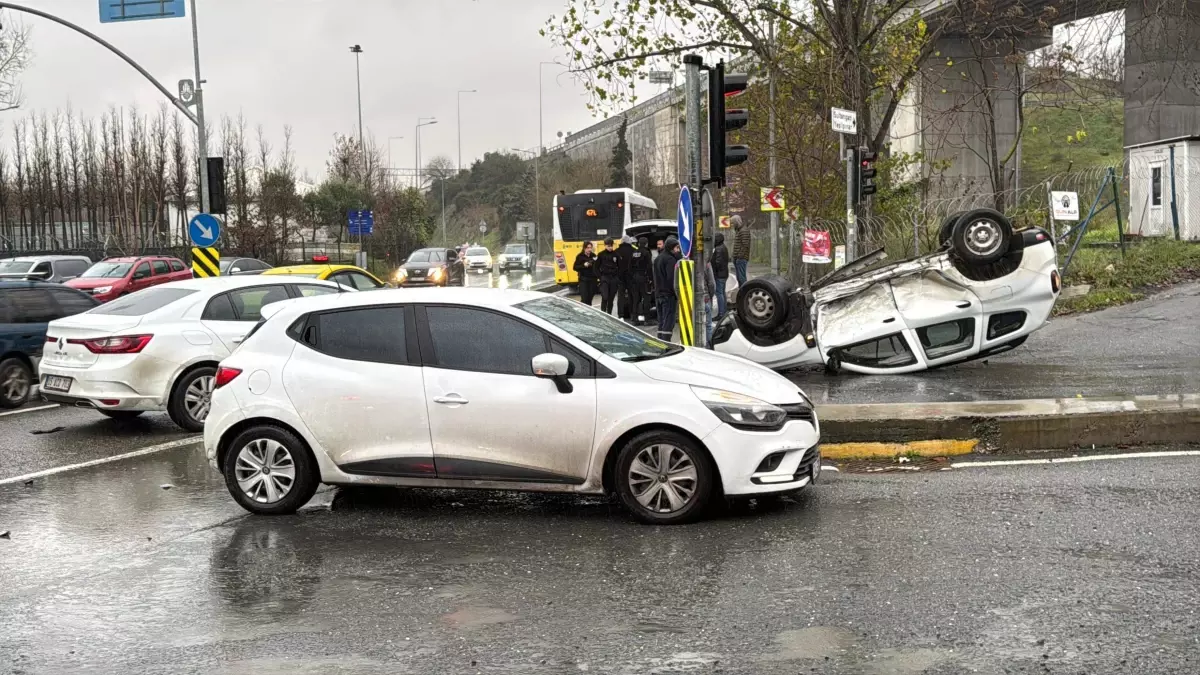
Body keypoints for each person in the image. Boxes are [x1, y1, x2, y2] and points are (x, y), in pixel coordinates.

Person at [674, 257, 717, 348]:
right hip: (704, 299)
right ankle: (708, 348)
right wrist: (709, 296)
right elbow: (712, 283)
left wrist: (682, 298)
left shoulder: (679, 263)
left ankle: (690, 348)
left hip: (687, 301)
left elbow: (676, 286)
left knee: (688, 326)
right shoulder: (706, 262)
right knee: (707, 326)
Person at [653, 236, 681, 341]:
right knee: (669, 321)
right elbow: (672, 279)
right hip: (668, 295)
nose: (677, 250)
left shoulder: (657, 259)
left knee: (661, 321)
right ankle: (666, 343)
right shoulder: (670, 260)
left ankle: (660, 341)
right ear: (671, 247)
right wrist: (676, 293)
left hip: (658, 294)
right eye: (676, 248)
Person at [631, 236, 653, 326]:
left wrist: (633, 276)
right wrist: (651, 279)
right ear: (646, 243)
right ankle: (647, 319)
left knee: (636, 299)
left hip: (635, 278)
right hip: (644, 277)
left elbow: (630, 266)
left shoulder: (634, 253)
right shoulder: (646, 253)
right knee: (646, 298)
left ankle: (634, 319)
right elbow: (649, 267)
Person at [596, 237, 621, 315]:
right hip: (605, 278)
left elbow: (620, 267)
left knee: (611, 298)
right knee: (605, 297)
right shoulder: (600, 255)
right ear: (605, 246)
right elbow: (595, 267)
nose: (610, 247)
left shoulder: (616, 255)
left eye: (611, 246)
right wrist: (600, 277)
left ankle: (609, 314)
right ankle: (603, 313)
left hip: (613, 278)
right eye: (608, 246)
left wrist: (617, 278)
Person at [615, 235, 636, 321]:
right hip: (631, 277)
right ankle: (632, 314)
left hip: (620, 277)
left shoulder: (616, 252)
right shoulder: (634, 251)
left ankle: (621, 315)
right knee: (632, 296)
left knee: (621, 296)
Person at [711, 232, 730, 319]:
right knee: (722, 292)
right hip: (724, 273)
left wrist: (713, 270)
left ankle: (721, 313)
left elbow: (717, 263)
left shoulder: (718, 249)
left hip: (719, 275)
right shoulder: (724, 247)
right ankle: (725, 311)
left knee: (719, 293)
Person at [573, 242, 598, 307]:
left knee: (589, 299)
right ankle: (583, 311)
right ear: (584, 248)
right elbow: (575, 267)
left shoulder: (593, 256)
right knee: (584, 298)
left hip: (593, 280)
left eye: (590, 248)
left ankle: (588, 312)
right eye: (588, 248)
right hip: (583, 280)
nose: (589, 249)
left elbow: (597, 266)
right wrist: (583, 265)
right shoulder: (580, 256)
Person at [732, 214, 751, 286]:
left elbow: (745, 245)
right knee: (739, 278)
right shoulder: (739, 230)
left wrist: (739, 256)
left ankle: (744, 292)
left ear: (736, 222)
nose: (732, 225)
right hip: (738, 258)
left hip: (741, 258)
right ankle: (742, 292)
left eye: (733, 223)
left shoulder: (743, 231)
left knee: (741, 278)